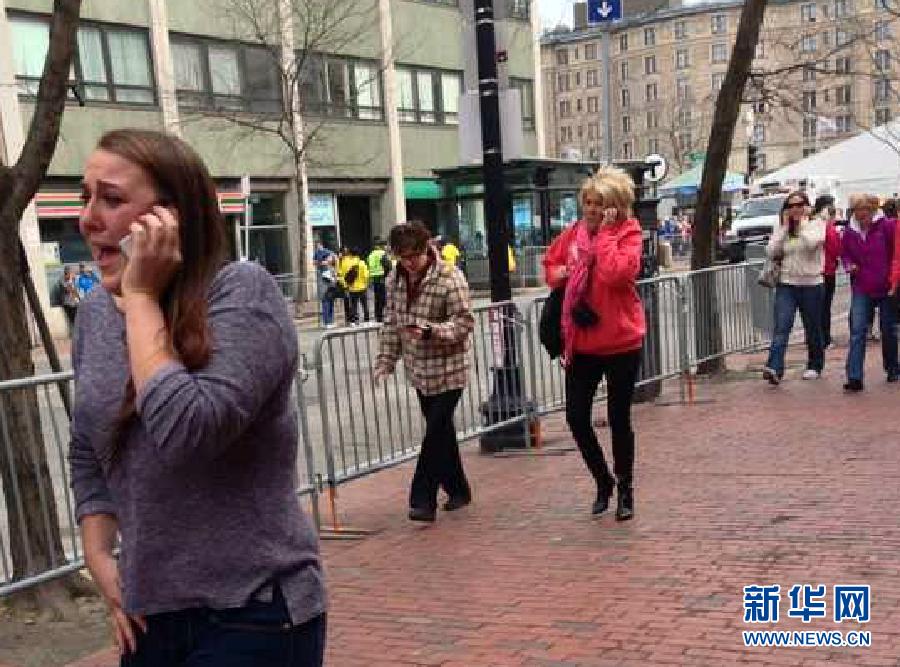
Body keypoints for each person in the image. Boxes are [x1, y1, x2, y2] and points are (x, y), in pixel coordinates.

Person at [70, 129, 326, 665]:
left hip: (254, 611)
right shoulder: (94, 314)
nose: (89, 218)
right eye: (84, 196)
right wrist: (100, 556)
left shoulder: (242, 294)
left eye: (111, 199)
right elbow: (89, 444)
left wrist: (141, 297)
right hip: (150, 616)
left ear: (171, 217)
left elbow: (189, 432)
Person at [542, 166, 646, 521]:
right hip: (582, 342)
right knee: (576, 418)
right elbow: (550, 268)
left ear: (615, 206)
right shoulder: (571, 236)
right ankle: (602, 480)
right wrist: (561, 275)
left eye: (599, 204)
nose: (591, 210)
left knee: (619, 418)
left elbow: (617, 275)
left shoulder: (629, 233)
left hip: (621, 341)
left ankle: (625, 488)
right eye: (587, 202)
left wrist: (604, 237)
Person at [374, 221, 475, 523]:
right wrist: (385, 360)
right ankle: (458, 488)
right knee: (441, 433)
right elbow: (391, 322)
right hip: (419, 370)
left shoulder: (449, 277)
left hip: (450, 368)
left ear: (426, 249)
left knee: (433, 433)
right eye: (402, 257)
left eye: (414, 256)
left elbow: (464, 322)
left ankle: (423, 498)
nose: (409, 263)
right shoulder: (394, 280)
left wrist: (432, 331)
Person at [761, 191, 826, 385]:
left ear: (807, 207)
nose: (795, 209)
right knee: (782, 326)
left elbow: (812, 244)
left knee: (812, 327)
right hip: (787, 284)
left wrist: (801, 223)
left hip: (811, 284)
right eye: (791, 206)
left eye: (799, 205)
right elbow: (771, 251)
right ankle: (774, 367)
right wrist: (784, 229)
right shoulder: (783, 227)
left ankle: (815, 365)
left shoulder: (816, 224)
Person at [842, 193, 898, 391]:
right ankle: (854, 376)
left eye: (865, 210)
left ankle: (892, 367)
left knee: (888, 329)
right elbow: (845, 254)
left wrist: (894, 280)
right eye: (857, 210)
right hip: (861, 286)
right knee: (857, 330)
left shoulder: (887, 226)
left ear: (873, 210)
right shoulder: (850, 231)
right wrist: (849, 265)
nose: (861, 214)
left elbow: (895, 254)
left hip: (885, 286)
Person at [814, 195, 842, 349]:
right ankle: (825, 338)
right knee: (825, 307)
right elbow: (835, 248)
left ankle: (814, 337)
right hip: (827, 270)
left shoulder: (812, 224)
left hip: (815, 271)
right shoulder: (828, 228)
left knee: (815, 307)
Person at [338, 247, 369, 324]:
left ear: (350, 253)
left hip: (351, 288)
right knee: (364, 304)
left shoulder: (345, 262)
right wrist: (365, 283)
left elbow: (341, 274)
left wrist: (346, 285)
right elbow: (366, 275)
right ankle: (366, 319)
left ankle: (355, 319)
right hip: (362, 287)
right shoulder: (361, 263)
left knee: (353, 304)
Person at [366, 238, 391, 322]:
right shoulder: (382, 254)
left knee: (377, 298)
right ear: (382, 246)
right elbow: (388, 266)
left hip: (374, 279)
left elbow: (368, 266)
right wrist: (387, 275)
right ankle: (385, 315)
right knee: (384, 298)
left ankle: (378, 316)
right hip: (382, 278)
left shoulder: (370, 255)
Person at [314, 241, 338, 328]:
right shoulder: (317, 255)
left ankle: (330, 321)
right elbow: (315, 263)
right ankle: (327, 322)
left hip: (330, 283)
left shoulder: (329, 255)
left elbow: (334, 260)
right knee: (326, 301)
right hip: (325, 282)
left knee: (330, 301)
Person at [58, 265, 81, 332]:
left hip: (75, 303)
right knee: (72, 321)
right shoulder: (62, 279)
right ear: (66, 272)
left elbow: (75, 291)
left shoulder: (73, 280)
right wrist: (71, 280)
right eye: (71, 272)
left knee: (78, 319)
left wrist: (79, 299)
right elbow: (68, 289)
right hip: (68, 303)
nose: (72, 274)